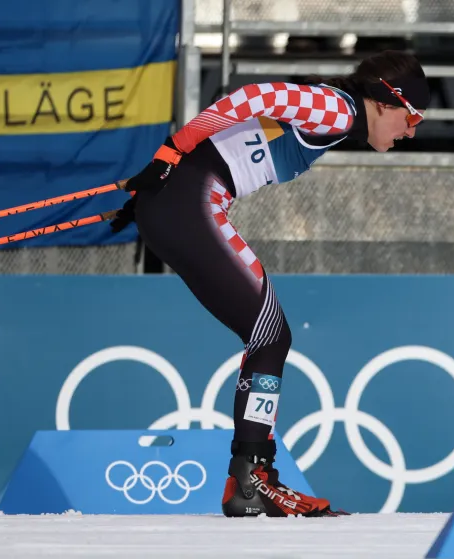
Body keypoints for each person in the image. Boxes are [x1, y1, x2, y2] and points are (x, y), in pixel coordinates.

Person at [109, 50, 428, 517]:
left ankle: (252, 477)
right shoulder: (338, 109)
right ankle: (251, 480)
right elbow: (252, 96)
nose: (412, 131)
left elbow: (239, 129)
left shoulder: (337, 114)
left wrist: (158, 187)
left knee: (270, 337)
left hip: (175, 203)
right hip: (188, 204)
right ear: (384, 101)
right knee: (270, 337)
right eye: (412, 117)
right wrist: (171, 153)